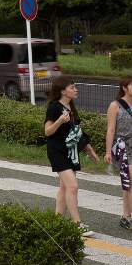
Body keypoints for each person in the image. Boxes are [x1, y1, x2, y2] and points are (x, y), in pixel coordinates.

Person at [45, 77, 101, 236]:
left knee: (64, 188)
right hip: (57, 151)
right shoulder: (54, 107)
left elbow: (77, 132)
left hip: (71, 152)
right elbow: (47, 131)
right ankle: (77, 224)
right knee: (73, 187)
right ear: (63, 91)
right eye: (72, 87)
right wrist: (60, 121)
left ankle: (56, 221)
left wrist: (90, 151)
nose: (76, 89)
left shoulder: (71, 107)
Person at [104, 76, 132, 231]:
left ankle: (125, 216)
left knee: (128, 185)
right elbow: (111, 130)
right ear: (124, 88)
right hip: (123, 147)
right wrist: (108, 151)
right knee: (130, 181)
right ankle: (127, 217)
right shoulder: (115, 106)